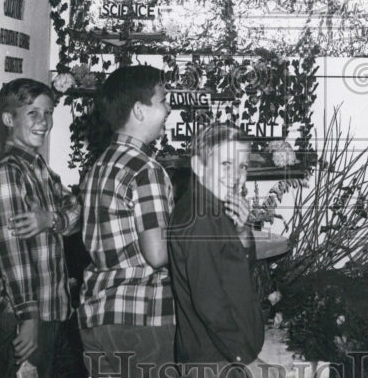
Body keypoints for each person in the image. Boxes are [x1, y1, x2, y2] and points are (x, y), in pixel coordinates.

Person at [0, 78, 83, 378]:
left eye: (48, 113)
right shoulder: (9, 174)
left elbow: (76, 210)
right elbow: (14, 256)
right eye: (33, 113)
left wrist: (50, 220)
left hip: (48, 310)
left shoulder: (39, 168)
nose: (44, 122)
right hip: (24, 315)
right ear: (9, 119)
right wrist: (28, 318)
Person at [78, 65, 175, 376]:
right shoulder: (146, 168)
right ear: (139, 110)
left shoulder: (99, 166)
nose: (168, 107)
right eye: (162, 100)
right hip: (142, 319)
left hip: (97, 317)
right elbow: (157, 254)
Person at [168, 123, 265, 377]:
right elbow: (209, 302)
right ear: (199, 166)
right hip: (215, 361)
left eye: (243, 165)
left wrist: (242, 232)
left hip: (219, 357)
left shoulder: (211, 207)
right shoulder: (201, 216)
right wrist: (243, 358)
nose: (236, 175)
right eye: (226, 164)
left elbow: (236, 275)